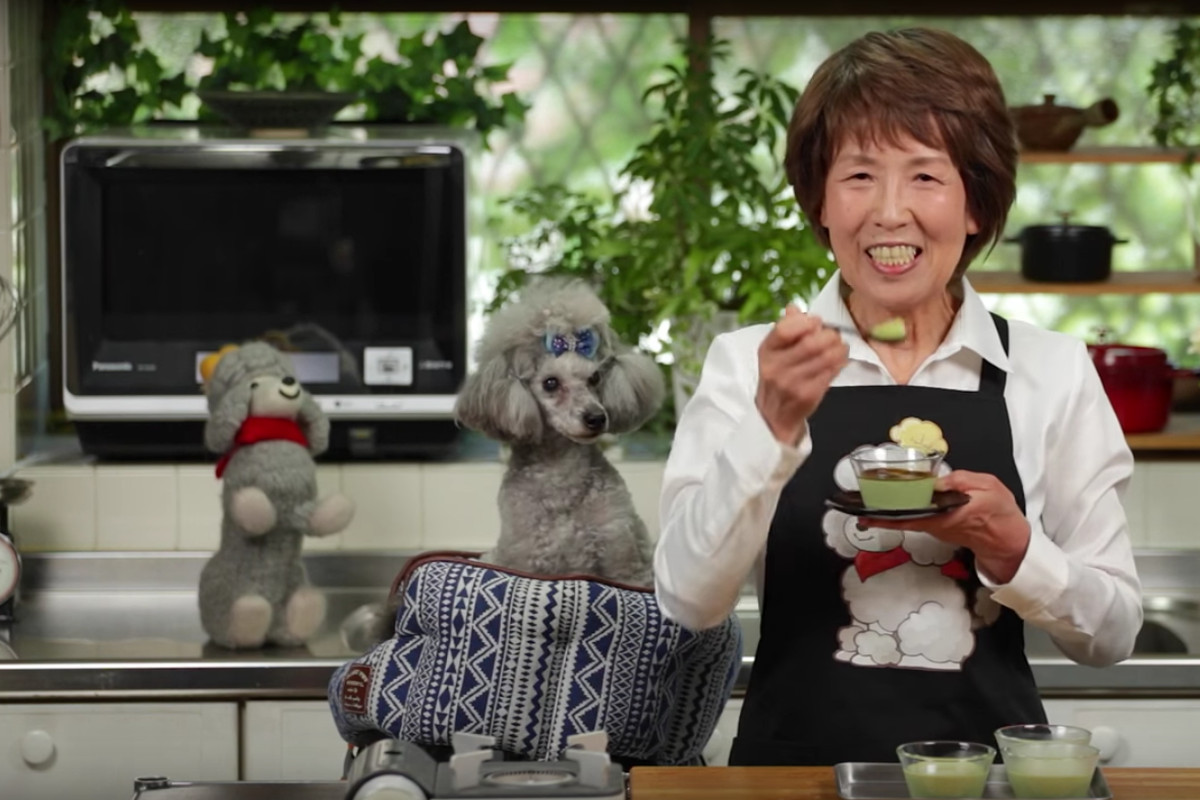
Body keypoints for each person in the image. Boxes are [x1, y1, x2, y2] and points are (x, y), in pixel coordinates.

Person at [653, 27, 1143, 766]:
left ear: (976, 205)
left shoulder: (1051, 370)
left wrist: (1015, 548)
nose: (889, 212)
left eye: (924, 176)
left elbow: (1112, 635)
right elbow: (688, 601)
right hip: (792, 780)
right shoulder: (748, 364)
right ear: (820, 202)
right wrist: (770, 424)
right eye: (859, 175)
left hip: (984, 781)